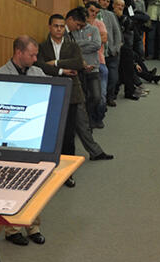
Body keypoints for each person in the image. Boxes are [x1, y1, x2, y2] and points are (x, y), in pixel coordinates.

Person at [37, 12, 111, 167]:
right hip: (53, 90)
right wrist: (62, 70)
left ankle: (95, 152)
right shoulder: (42, 47)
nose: (59, 29)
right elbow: (40, 66)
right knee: (60, 129)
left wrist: (55, 62)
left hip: (73, 90)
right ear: (50, 27)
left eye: (62, 26)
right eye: (56, 26)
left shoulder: (72, 45)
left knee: (82, 123)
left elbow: (77, 63)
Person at [0, 36, 47, 244]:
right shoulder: (0, 75)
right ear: (19, 52)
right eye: (32, 55)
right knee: (12, 183)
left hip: (34, 135)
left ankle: (33, 226)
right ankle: (12, 229)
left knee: (36, 182)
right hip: (11, 138)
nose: (35, 59)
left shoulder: (38, 73)